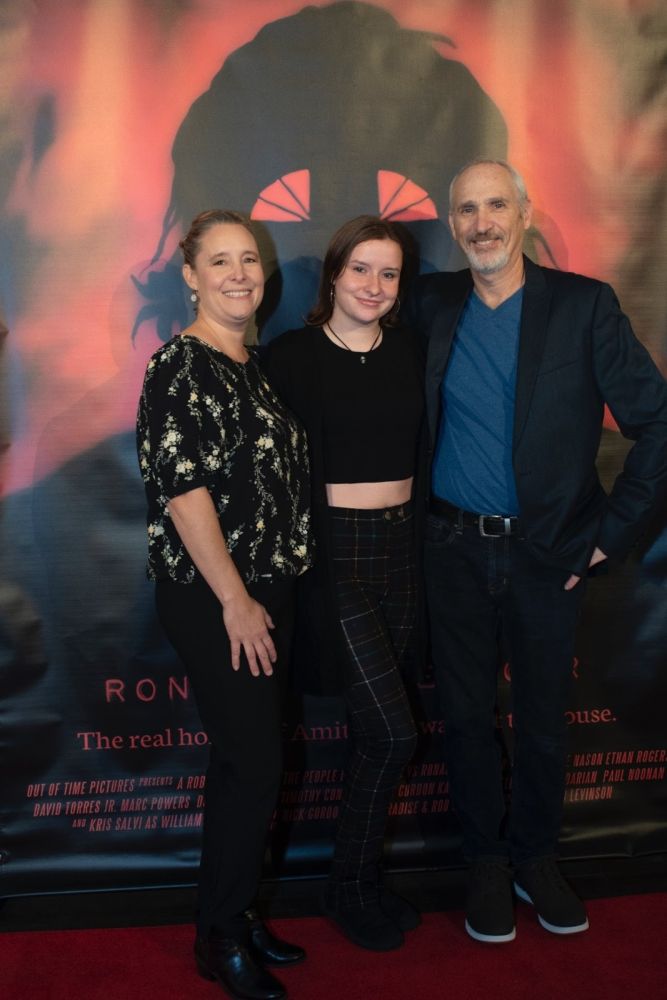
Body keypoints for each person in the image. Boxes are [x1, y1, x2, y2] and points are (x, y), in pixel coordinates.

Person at [406, 159, 667, 944]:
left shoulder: (583, 306)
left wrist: (610, 537)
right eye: (466, 210)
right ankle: (485, 862)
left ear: (522, 213)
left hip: (548, 554)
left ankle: (535, 857)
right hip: (451, 549)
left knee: (543, 720)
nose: (481, 222)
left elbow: (655, 422)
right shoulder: (429, 303)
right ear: (451, 224)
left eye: (495, 205)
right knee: (464, 717)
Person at [136, 209, 313, 1000]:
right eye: (220, 261)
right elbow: (184, 494)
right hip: (214, 595)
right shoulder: (178, 366)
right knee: (254, 761)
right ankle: (220, 940)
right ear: (190, 276)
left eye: (248, 259)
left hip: (267, 590)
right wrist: (236, 600)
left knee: (246, 763)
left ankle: (231, 916)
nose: (239, 274)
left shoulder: (254, 364)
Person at [263, 216, 425, 951]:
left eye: (388, 273)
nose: (373, 285)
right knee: (393, 733)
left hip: (403, 553)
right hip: (335, 559)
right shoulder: (290, 358)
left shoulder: (412, 351)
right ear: (333, 274)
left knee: (373, 734)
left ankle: (356, 880)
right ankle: (347, 886)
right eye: (361, 268)